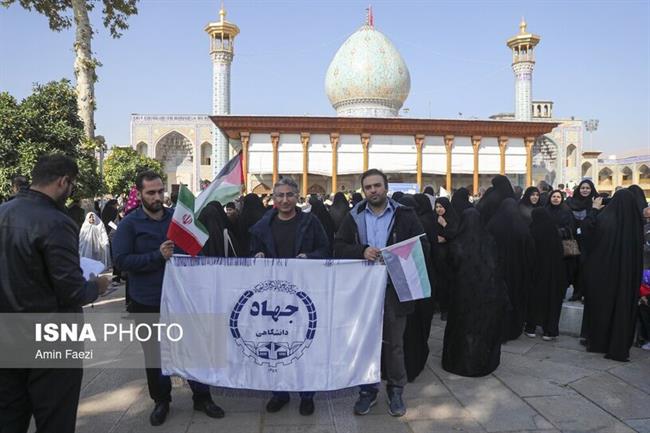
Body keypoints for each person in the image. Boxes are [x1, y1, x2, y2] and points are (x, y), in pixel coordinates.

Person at [0, 154, 109, 433]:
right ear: (64, 182)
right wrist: (96, 286)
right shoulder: (55, 222)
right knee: (55, 419)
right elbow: (72, 291)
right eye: (72, 185)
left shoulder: (4, 212)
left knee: (10, 416)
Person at [112, 171, 224, 426]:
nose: (157, 197)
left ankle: (202, 396)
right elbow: (121, 261)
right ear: (139, 193)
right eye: (150, 192)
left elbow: (195, 251)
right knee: (155, 355)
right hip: (148, 300)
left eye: (160, 191)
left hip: (183, 299)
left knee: (194, 348)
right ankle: (162, 400)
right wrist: (156, 256)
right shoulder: (130, 224)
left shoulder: (177, 220)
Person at [334, 169, 428, 417]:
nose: (373, 190)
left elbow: (423, 246)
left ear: (386, 187)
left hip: (394, 289)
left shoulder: (405, 214)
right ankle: (368, 391)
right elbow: (338, 247)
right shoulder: (353, 216)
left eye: (377, 185)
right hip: (363, 291)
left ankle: (396, 389)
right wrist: (361, 250)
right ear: (363, 191)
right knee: (366, 342)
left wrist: (397, 257)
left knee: (395, 344)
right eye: (368, 187)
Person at [248, 177, 329, 416]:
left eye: (289, 195)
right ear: (273, 198)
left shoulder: (310, 222)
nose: (284, 200)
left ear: (297, 197)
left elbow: (325, 249)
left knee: (304, 345)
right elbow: (251, 252)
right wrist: (258, 254)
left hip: (303, 296)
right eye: (280, 195)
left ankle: (306, 393)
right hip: (272, 299)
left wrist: (309, 258)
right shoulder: (262, 225)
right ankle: (279, 393)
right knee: (276, 344)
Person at [442, 208, 507, 376]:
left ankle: (459, 361)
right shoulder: (489, 240)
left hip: (461, 293)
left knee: (461, 327)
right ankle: (479, 361)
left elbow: (449, 268)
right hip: (486, 292)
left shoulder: (457, 244)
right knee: (480, 328)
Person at [583, 189, 643, 361]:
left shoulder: (605, 218)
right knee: (621, 308)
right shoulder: (636, 224)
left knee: (602, 308)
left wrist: (594, 209)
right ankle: (618, 344)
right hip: (626, 277)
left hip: (603, 275)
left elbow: (587, 230)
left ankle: (599, 343)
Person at [487, 198, 535, 342]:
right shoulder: (522, 227)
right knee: (515, 299)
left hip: (496, 271)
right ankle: (512, 329)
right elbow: (530, 253)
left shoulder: (493, 224)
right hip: (517, 273)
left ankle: (496, 328)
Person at [403, 194, 437, 381]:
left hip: (407, 281)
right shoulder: (425, 221)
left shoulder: (411, 224)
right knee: (419, 324)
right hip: (423, 278)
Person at [524, 208, 566, 340]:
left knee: (534, 299)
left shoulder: (533, 230)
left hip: (537, 272)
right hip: (554, 273)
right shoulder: (554, 231)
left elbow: (530, 252)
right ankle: (549, 331)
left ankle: (531, 328)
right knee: (552, 301)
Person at [565, 179, 600, 301]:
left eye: (588, 188)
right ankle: (576, 292)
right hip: (572, 239)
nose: (585, 190)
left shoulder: (595, 203)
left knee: (585, 265)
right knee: (573, 265)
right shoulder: (570, 202)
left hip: (588, 240)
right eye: (582, 188)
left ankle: (585, 292)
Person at [433, 197, 458, 321]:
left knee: (448, 283)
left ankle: (447, 309)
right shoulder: (433, 219)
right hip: (437, 256)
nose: (439, 209)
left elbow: (455, 234)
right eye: (437, 207)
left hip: (449, 257)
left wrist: (444, 225)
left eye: (441, 207)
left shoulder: (452, 219)